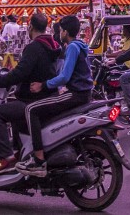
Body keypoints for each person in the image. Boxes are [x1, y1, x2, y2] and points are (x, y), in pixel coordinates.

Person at [0, 13, 61, 175]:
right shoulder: (53, 46)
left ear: (30, 27)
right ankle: (20, 151)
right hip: (48, 96)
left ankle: (5, 157)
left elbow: (19, 73)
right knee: (12, 106)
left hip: (33, 100)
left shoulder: (34, 47)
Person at [16, 15, 94, 177]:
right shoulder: (81, 45)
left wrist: (43, 85)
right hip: (83, 93)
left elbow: (64, 77)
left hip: (76, 94)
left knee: (31, 109)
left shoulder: (72, 47)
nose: (58, 34)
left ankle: (38, 161)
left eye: (60, 31)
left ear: (65, 32)